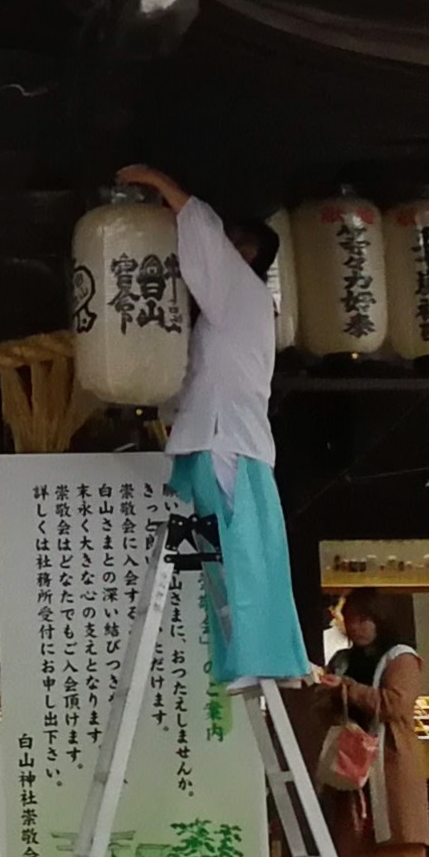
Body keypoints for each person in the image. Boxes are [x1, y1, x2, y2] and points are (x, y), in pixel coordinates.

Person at [111, 164, 312, 689]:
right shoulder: (231, 308)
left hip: (229, 440)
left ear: (244, 254)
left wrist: (159, 181)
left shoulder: (240, 290)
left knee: (241, 550)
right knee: (230, 554)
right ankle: (256, 657)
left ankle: (262, 657)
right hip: (219, 436)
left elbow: (199, 223)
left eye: (229, 244)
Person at [321, 589, 429, 857]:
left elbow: (396, 706)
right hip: (351, 768)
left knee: (402, 856)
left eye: (363, 618)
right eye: (349, 618)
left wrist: (346, 689)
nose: (355, 626)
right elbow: (324, 707)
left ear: (380, 619)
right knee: (346, 854)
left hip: (391, 767)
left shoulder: (402, 657)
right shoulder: (344, 659)